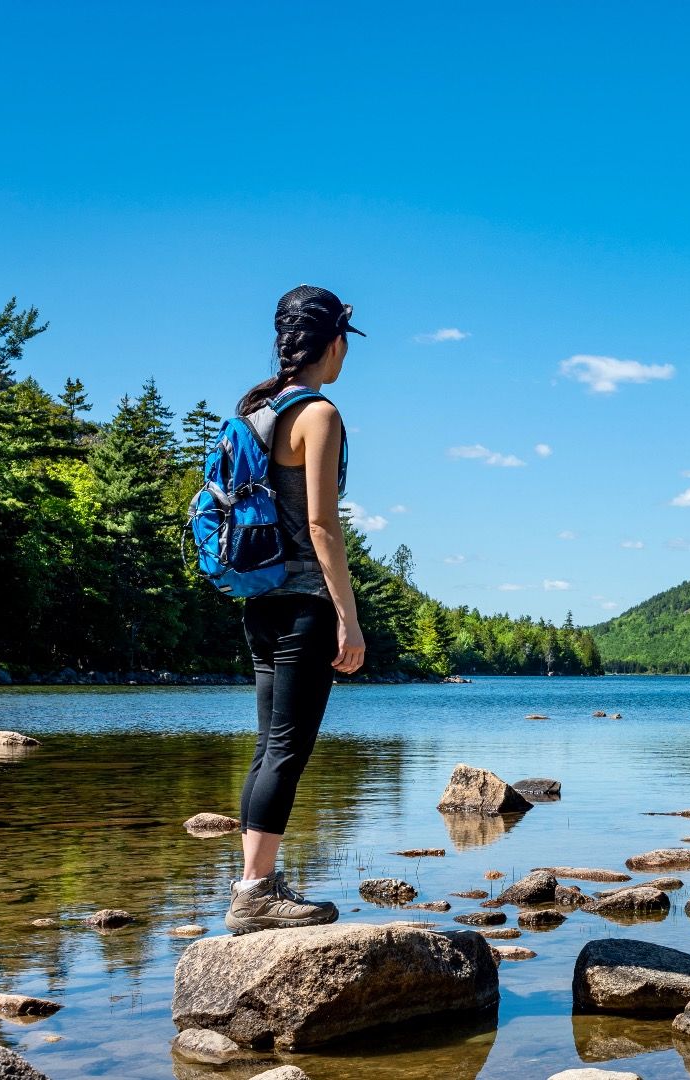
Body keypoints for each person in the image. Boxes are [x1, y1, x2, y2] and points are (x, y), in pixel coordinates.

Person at [224, 285, 368, 934]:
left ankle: (253, 883)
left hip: (259, 603)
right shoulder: (319, 414)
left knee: (269, 747)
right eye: (346, 344)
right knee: (287, 750)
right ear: (333, 343)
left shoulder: (256, 411)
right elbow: (321, 524)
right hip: (304, 605)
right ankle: (256, 891)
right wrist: (348, 618)